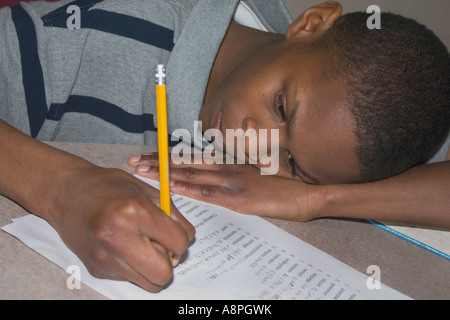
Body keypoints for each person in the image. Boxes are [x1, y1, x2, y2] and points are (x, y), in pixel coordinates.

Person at [0, 0, 448, 293]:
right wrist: (62, 188)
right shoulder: (110, 28)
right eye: (281, 107)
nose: (256, 146)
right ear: (310, 24)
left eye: (291, 162)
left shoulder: (368, 130)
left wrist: (317, 197)